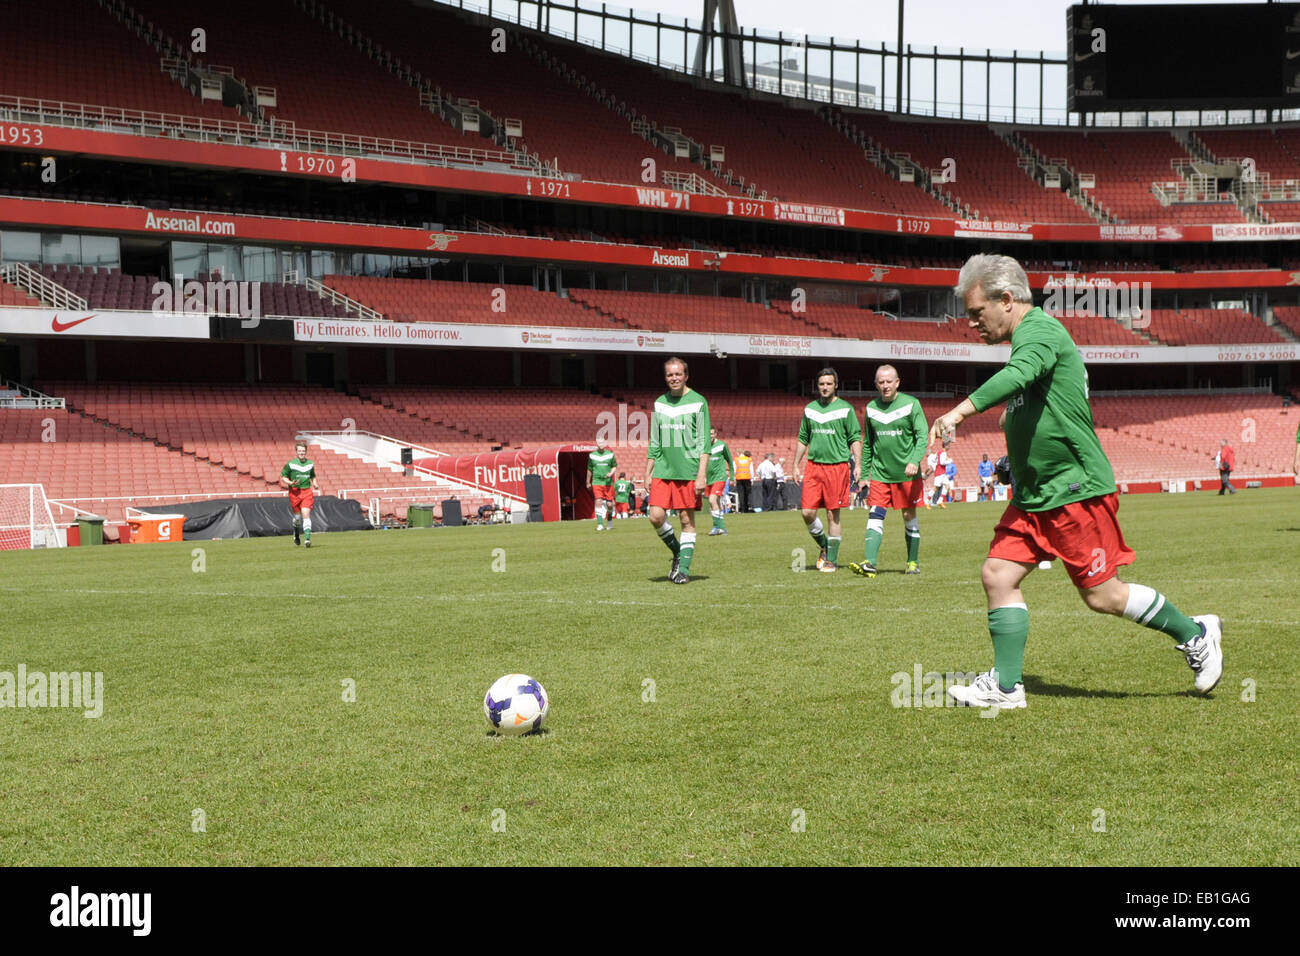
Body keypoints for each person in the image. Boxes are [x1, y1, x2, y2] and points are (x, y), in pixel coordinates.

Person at [931, 253, 1222, 709]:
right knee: (998, 574)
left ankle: (1196, 632)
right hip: (1034, 496)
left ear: (1006, 299)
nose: (972, 324)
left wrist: (961, 410)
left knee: (1103, 596)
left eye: (976, 313)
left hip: (1073, 489)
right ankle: (1006, 688)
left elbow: (1019, 375)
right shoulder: (1027, 341)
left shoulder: (1040, 331)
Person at [849, 365, 928, 578]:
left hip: (907, 475)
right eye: (881, 382)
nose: (885, 386)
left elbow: (923, 437)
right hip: (881, 475)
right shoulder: (871, 408)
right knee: (875, 513)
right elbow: (868, 445)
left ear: (897, 383)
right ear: (876, 384)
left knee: (908, 515)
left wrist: (914, 461)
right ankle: (870, 563)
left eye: (889, 381)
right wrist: (864, 474)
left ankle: (912, 562)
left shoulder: (912, 404)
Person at [646, 357, 710, 584]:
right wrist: (648, 470)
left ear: (686, 376)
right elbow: (655, 440)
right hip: (663, 470)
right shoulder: (659, 403)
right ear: (666, 377)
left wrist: (702, 474)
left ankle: (683, 569)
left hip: (688, 471)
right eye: (670, 375)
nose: (674, 378)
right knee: (655, 516)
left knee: (686, 519)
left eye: (678, 374)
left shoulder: (698, 401)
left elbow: (704, 443)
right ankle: (677, 551)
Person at [794, 367, 862, 572]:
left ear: (836, 385)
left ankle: (830, 559)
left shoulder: (846, 409)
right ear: (818, 386)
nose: (825, 387)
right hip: (814, 467)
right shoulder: (809, 409)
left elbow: (855, 438)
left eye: (829, 384)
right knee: (807, 513)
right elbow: (803, 438)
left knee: (833, 515)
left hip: (837, 467)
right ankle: (824, 544)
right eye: (822, 384)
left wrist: (858, 464)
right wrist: (795, 464)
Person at [280, 440, 320, 547]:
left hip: (306, 491)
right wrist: (290, 482)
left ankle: (307, 539)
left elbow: (313, 475)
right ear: (296, 452)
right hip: (295, 493)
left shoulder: (310, 463)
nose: (301, 453)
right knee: (297, 518)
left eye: (303, 451)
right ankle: (296, 534)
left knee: (306, 514)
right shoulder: (290, 464)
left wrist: (315, 483)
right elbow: (283, 477)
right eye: (299, 451)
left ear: (306, 452)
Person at [705, 427, 734, 535]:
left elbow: (730, 461)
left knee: (712, 500)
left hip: (720, 477)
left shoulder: (722, 445)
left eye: (712, 434)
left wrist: (731, 476)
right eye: (708, 434)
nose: (710, 436)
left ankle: (720, 528)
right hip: (709, 479)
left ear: (716, 434)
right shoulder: (704, 446)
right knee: (715, 503)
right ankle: (718, 527)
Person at [587, 437, 618, 530]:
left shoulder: (610, 454)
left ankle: (609, 521)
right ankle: (600, 524)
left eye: (602, 443)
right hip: (597, 481)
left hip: (608, 483)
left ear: (605, 444)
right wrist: (588, 481)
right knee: (598, 501)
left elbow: (614, 466)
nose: (601, 444)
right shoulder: (592, 455)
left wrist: (611, 473)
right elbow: (589, 469)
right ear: (596, 444)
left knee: (609, 504)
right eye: (599, 443)